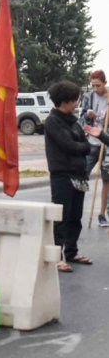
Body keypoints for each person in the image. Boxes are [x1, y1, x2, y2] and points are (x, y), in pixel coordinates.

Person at [45, 81, 94, 272]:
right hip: (62, 175)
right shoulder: (52, 121)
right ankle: (56, 256)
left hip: (79, 175)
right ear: (65, 101)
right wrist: (82, 147)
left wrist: (82, 146)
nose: (77, 103)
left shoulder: (74, 122)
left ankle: (72, 252)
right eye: (75, 100)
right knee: (61, 217)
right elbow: (71, 146)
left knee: (75, 216)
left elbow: (85, 145)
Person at [80, 69, 109, 227]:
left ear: (105, 83)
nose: (95, 89)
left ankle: (102, 214)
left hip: (106, 145)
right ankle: (76, 210)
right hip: (91, 143)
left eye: (98, 86)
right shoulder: (88, 97)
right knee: (81, 175)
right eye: (93, 86)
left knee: (106, 181)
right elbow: (81, 117)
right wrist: (87, 115)